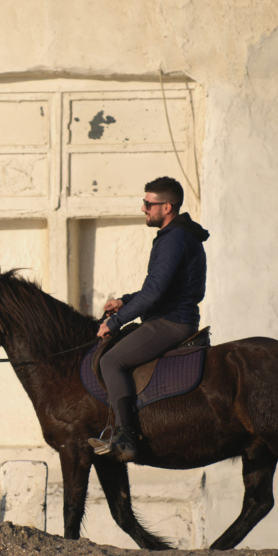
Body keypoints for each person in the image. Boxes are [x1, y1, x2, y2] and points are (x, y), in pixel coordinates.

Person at [89, 176, 210, 462]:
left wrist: (114, 322)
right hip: (168, 316)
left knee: (111, 360)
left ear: (166, 207)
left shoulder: (175, 239)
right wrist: (125, 302)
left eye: (148, 203)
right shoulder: (174, 236)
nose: (143, 208)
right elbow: (156, 287)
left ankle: (126, 438)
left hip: (171, 322)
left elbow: (155, 292)